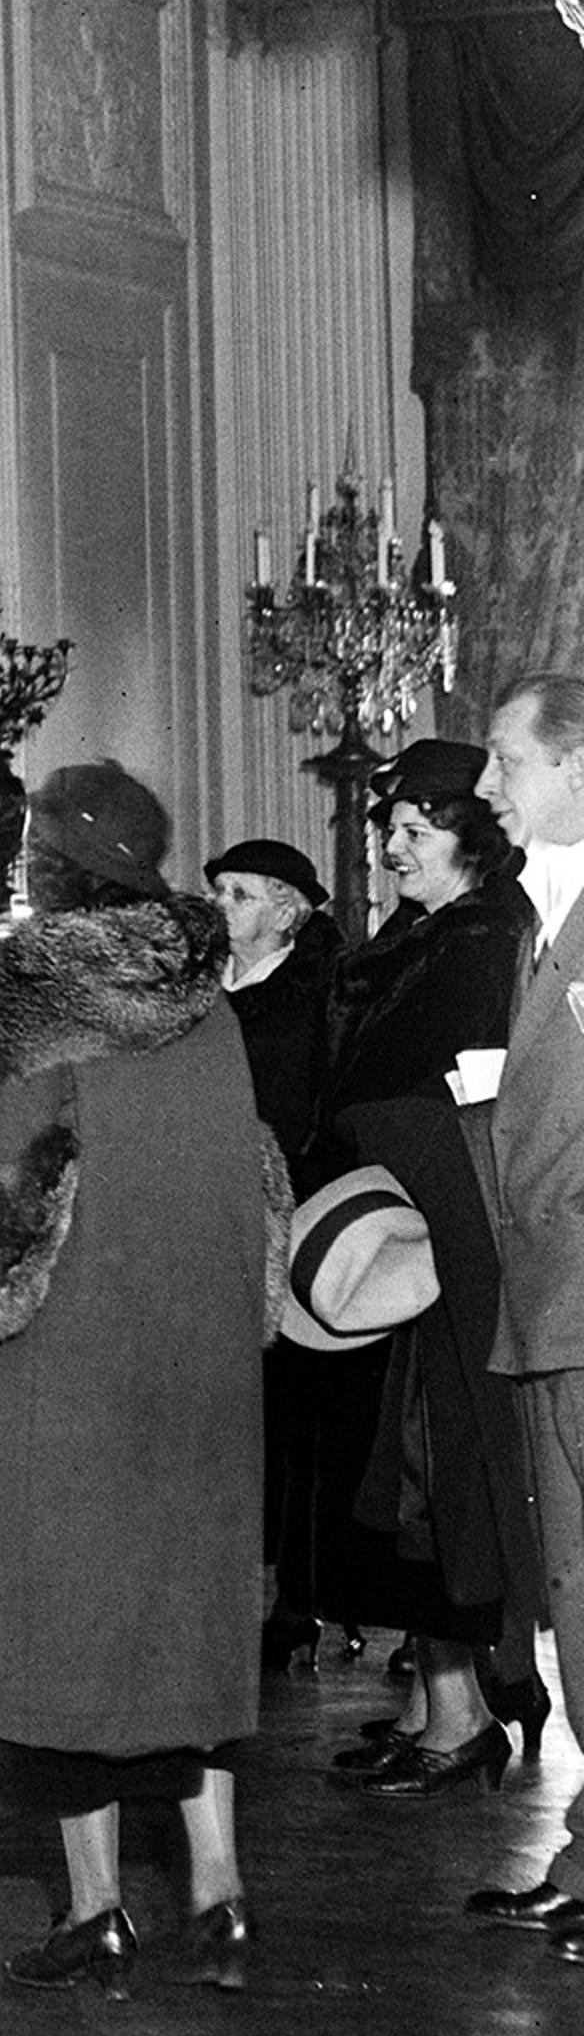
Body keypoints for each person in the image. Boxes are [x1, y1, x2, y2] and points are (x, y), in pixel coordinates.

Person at [0, 762, 275, 1993]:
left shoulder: (49, 1006)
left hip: (74, 1367)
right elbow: (257, 1178)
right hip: (203, 1361)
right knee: (186, 1630)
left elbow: (3, 1202)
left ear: (54, 862)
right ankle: (220, 1893)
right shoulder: (211, 1002)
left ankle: (97, 1910)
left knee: (69, 1632)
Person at [289, 759, 537, 1791]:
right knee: (396, 1483)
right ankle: (443, 1701)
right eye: (389, 826)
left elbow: (458, 1096)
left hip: (440, 1237)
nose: (394, 846)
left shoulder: (485, 940)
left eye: (420, 830)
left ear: (473, 838)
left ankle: (464, 1714)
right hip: (386, 1228)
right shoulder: (406, 938)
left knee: (437, 1475)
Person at [467, 678, 584, 1951]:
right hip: (551, 1290)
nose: (489, 790)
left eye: (507, 763)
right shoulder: (538, 914)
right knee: (577, 1582)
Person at [209, 834, 343, 1164]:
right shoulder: (198, 985)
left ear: (283, 916)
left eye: (240, 895)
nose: (220, 903)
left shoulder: (312, 999)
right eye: (219, 891)